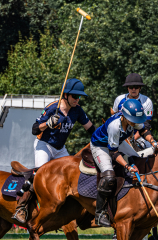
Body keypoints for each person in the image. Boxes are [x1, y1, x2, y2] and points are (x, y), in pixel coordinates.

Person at [12, 78, 95, 223]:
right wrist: (47, 124)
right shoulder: (53, 108)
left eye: (79, 96)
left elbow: (91, 129)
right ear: (65, 95)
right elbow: (34, 129)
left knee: (75, 173)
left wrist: (104, 135)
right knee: (39, 173)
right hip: (44, 145)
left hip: (60, 149)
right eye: (75, 96)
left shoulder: (77, 111)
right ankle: (21, 207)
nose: (77, 99)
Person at [90, 98, 158, 227]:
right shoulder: (114, 126)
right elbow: (113, 152)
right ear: (125, 116)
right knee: (109, 176)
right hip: (100, 146)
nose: (135, 123)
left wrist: (153, 142)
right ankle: (100, 213)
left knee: (139, 160)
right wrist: (128, 165)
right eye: (133, 120)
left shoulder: (132, 120)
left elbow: (144, 130)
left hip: (119, 142)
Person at [112, 73, 154, 152]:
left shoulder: (147, 101)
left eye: (136, 87)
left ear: (140, 88)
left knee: (151, 152)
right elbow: (113, 119)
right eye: (131, 87)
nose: (133, 89)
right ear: (127, 88)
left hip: (140, 138)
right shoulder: (119, 99)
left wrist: (132, 139)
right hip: (120, 137)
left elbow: (146, 125)